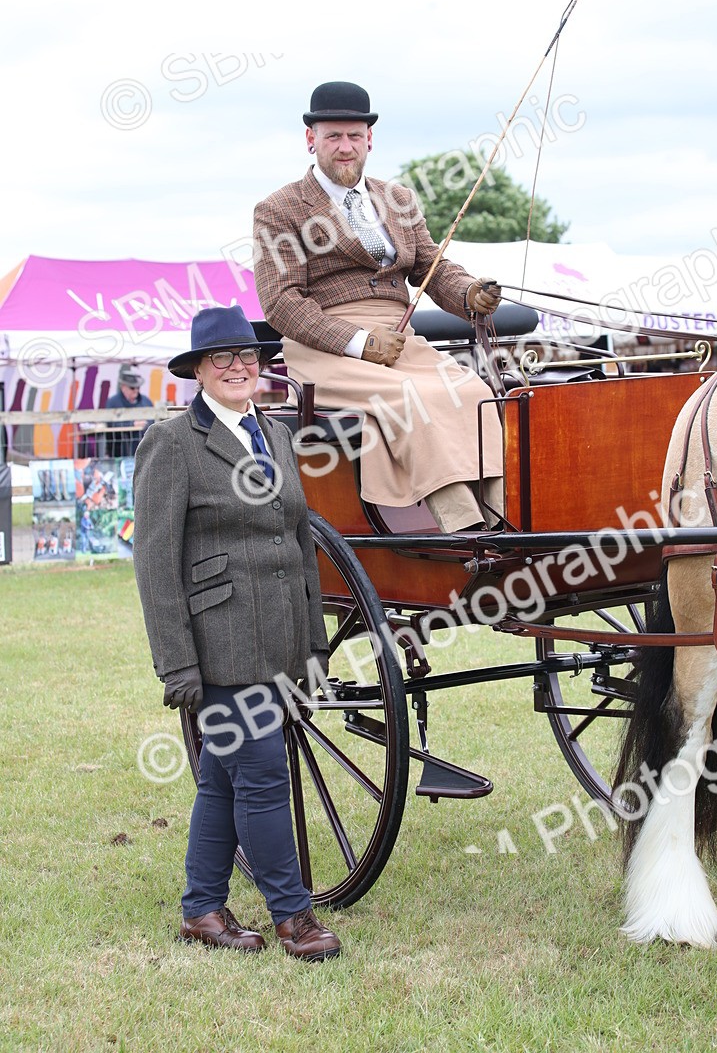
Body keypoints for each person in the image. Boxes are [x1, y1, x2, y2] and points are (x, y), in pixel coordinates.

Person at [132, 305, 340, 962]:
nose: (237, 368)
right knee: (262, 776)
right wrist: (177, 667)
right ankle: (295, 918)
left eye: (247, 357)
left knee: (222, 779)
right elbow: (155, 565)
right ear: (197, 370)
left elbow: (297, 541)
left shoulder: (275, 434)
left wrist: (312, 643)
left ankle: (200, 910)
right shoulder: (172, 444)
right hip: (219, 646)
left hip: (280, 640)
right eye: (221, 358)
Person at [253, 80, 505, 534]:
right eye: (333, 136)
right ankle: (464, 528)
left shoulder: (398, 199)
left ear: (370, 138)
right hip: (326, 347)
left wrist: (468, 293)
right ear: (311, 140)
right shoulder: (279, 208)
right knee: (416, 398)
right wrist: (359, 343)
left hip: (398, 337)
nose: (344, 147)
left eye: (354, 136)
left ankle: (502, 518)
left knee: (476, 394)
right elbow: (281, 301)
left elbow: (431, 265)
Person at [104, 365, 154, 458]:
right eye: (132, 387)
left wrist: (145, 423)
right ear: (123, 387)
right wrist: (132, 424)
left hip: (144, 451)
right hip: (119, 452)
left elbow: (153, 420)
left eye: (138, 387)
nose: (136, 390)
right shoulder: (113, 402)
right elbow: (110, 423)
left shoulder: (146, 401)